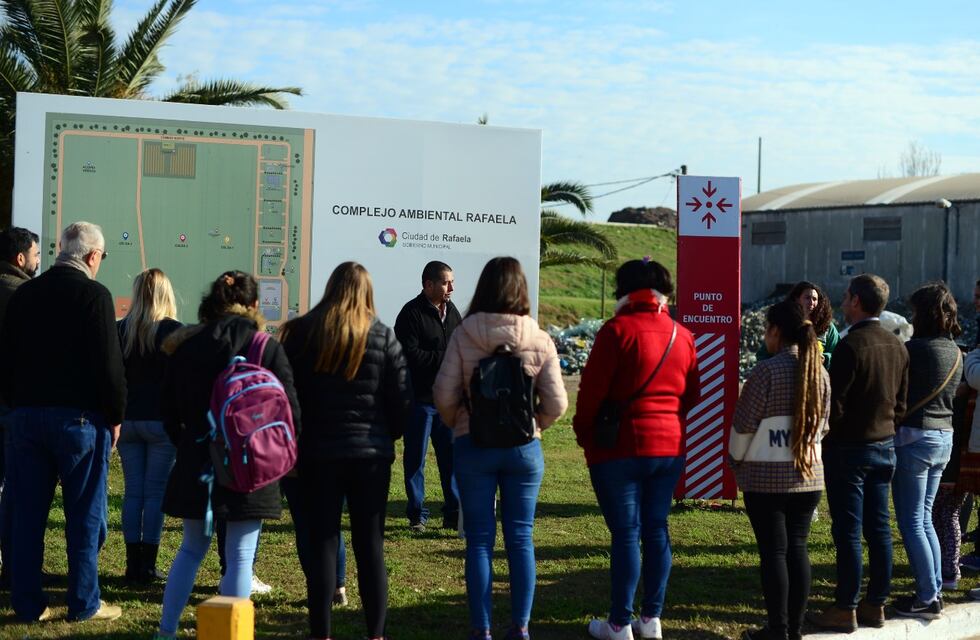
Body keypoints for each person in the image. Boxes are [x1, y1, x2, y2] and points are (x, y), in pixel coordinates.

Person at [154, 271, 300, 639]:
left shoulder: (184, 345)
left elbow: (168, 412)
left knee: (189, 549)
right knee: (240, 555)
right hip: (251, 464)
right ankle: (233, 635)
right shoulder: (264, 346)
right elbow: (291, 411)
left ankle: (166, 630)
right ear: (254, 305)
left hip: (198, 462)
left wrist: (190, 446)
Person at [435, 256, 567, 640]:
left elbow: (443, 394)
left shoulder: (464, 333)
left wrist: (459, 420)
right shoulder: (539, 337)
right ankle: (521, 626)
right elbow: (557, 404)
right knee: (521, 537)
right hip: (524, 449)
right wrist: (534, 424)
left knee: (479, 539)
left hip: (473, 444)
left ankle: (482, 628)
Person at [0, 221, 125, 622]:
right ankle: (84, 602)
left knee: (27, 515)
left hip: (25, 418)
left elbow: (7, 357)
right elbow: (110, 365)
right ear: (92, 256)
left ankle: (27, 604)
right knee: (84, 518)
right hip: (79, 421)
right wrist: (117, 415)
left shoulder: (24, 294)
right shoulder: (94, 296)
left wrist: (15, 405)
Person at [281, 261, 411, 640]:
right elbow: (401, 400)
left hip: (317, 453)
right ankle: (376, 633)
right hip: (370, 456)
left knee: (323, 539)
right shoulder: (383, 336)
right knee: (369, 545)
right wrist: (390, 435)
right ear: (367, 292)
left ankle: (321, 632)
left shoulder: (301, 332)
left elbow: (289, 397)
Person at [572, 258, 698, 640]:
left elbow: (591, 394)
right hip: (669, 446)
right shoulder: (682, 334)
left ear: (624, 290)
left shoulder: (616, 331)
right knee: (656, 528)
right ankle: (651, 618)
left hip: (620, 449)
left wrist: (584, 434)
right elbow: (692, 394)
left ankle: (619, 623)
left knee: (626, 533)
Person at [807, 274, 909, 632]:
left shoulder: (851, 346)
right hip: (885, 445)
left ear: (856, 302)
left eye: (848, 295)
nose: (844, 300)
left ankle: (845, 605)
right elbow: (901, 403)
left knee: (848, 530)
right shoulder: (896, 345)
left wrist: (830, 436)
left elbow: (836, 403)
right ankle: (875, 603)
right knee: (879, 528)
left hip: (850, 449)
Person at [731, 299, 831, 640]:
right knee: (798, 547)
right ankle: (795, 630)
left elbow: (743, 427)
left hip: (765, 478)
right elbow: (825, 426)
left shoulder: (766, 371)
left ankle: (777, 629)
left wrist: (736, 460)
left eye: (765, 331)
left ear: (775, 331)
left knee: (774, 551)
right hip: (809, 476)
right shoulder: (819, 371)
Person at [890, 283, 962, 618]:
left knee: (912, 521)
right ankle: (931, 590)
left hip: (914, 438)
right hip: (943, 437)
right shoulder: (954, 350)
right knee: (925, 518)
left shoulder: (914, 349)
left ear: (924, 312)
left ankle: (927, 596)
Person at [116, 268, 182, 585]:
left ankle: (131, 564)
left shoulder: (121, 330)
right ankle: (148, 564)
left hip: (127, 421)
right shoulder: (174, 332)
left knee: (133, 493)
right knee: (155, 494)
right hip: (161, 423)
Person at [395, 260, 462, 530]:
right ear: (428, 284)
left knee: (452, 461)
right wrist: (447, 357)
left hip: (448, 402)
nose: (451, 288)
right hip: (420, 402)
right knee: (415, 461)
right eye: (446, 282)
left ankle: (452, 514)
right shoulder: (410, 314)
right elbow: (411, 356)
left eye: (452, 282)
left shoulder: (453, 311)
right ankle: (416, 515)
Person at [0, 226, 40, 587]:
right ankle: (11, 565)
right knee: (14, 486)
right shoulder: (26, 295)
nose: (38, 262)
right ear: (20, 259)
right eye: (37, 256)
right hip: (12, 400)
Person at [755, 281, 839, 369]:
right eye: (807, 298)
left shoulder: (827, 327)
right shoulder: (784, 323)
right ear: (796, 299)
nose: (811, 302)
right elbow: (763, 355)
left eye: (814, 299)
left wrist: (825, 358)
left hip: (816, 377)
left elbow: (838, 353)